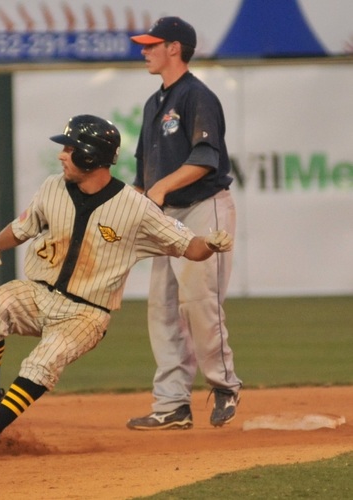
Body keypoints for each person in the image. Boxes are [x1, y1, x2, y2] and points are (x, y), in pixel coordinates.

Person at [0, 114, 233, 460]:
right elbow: (23, 226)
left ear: (90, 156)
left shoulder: (135, 208)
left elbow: (189, 246)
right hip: (39, 293)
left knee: (42, 363)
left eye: (69, 148)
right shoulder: (53, 187)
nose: (61, 155)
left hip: (86, 313)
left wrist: (210, 244)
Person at [126, 17, 242, 431]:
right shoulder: (153, 103)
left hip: (203, 208)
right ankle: (173, 403)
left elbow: (205, 159)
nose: (144, 51)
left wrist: (159, 190)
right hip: (166, 217)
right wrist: (127, 207)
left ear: (174, 48)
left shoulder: (197, 96)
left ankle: (224, 384)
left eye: (151, 45)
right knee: (161, 309)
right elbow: (143, 179)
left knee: (199, 304)